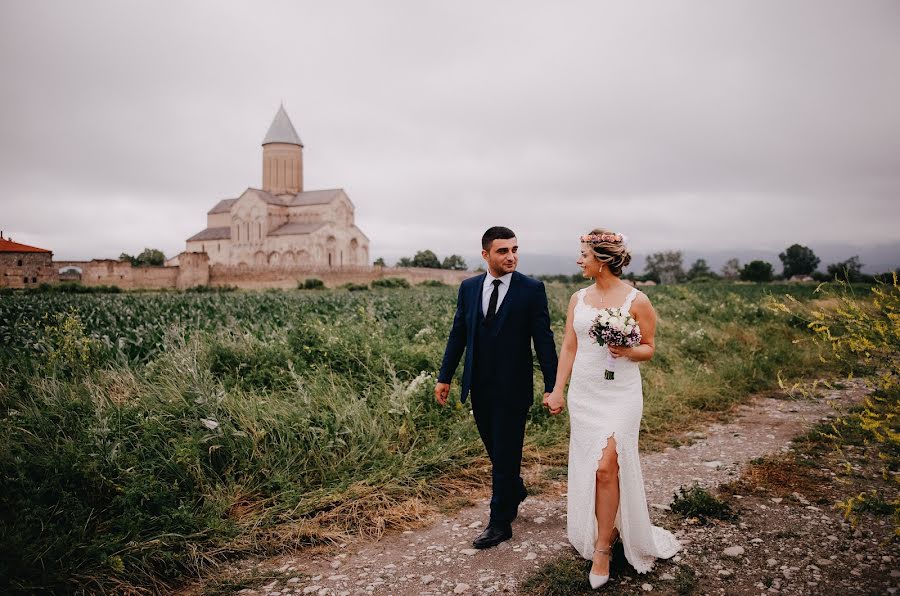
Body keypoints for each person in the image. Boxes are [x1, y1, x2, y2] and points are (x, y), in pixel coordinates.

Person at [544, 229, 680, 589]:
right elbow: (570, 347)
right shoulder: (578, 298)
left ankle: (603, 548)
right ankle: (605, 528)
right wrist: (557, 389)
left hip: (621, 394)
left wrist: (627, 350)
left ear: (601, 259)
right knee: (594, 467)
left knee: (608, 466)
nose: (579, 260)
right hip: (585, 393)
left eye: (584, 255)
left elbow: (649, 347)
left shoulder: (638, 300)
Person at [435, 226, 558, 549]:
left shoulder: (531, 290)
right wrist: (444, 377)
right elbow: (458, 334)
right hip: (479, 385)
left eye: (514, 249)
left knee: (505, 453)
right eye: (503, 251)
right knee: (496, 450)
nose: (511, 256)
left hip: (513, 388)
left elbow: (544, 340)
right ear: (486, 254)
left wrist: (552, 385)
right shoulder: (469, 288)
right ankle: (514, 488)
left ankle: (500, 521)